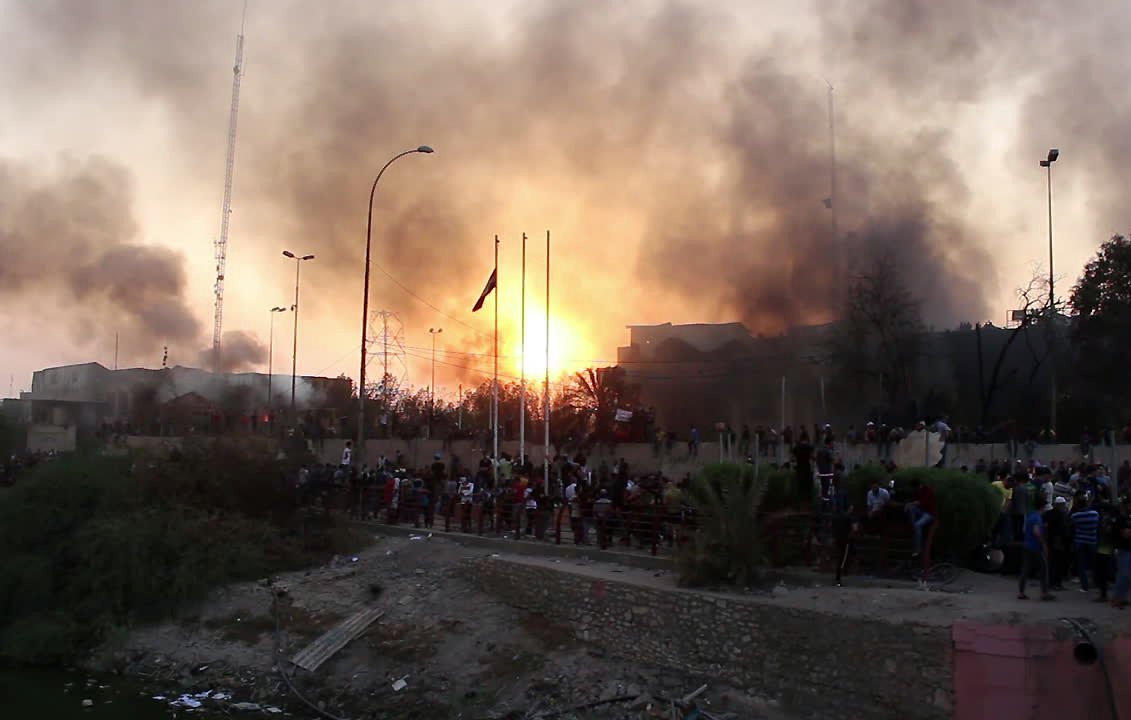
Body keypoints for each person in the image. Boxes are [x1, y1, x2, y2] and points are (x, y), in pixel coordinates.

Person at [1019, 503, 1054, 601]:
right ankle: (1044, 593)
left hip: (1027, 545)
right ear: (1043, 508)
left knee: (1025, 569)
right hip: (1035, 547)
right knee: (1044, 568)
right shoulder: (1037, 518)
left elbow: (1025, 530)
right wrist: (1043, 544)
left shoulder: (1030, 516)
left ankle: (1021, 592)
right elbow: (1036, 531)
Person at [905, 479, 936, 557]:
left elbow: (921, 502)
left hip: (929, 514)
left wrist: (910, 504)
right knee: (911, 508)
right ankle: (913, 527)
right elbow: (913, 501)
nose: (916, 491)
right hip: (922, 512)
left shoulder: (927, 490)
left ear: (919, 486)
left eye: (917, 489)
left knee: (918, 525)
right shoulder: (916, 491)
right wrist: (908, 505)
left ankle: (918, 549)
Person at [833, 504, 860, 587]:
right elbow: (855, 529)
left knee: (841, 557)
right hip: (846, 541)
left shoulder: (837, 517)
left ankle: (839, 578)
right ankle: (838, 580)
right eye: (851, 508)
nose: (852, 510)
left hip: (838, 539)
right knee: (843, 559)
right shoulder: (850, 518)